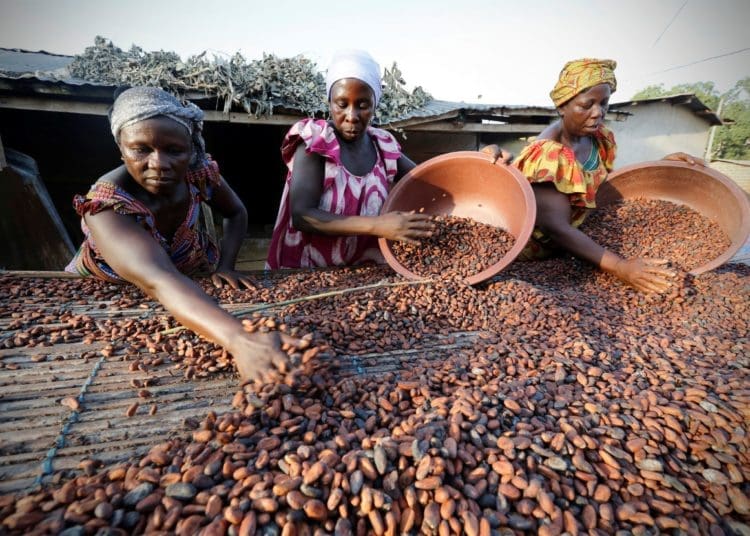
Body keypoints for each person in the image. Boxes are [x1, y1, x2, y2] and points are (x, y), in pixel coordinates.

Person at [65, 86, 297, 382]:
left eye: (175, 150)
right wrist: (239, 339)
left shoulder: (198, 174)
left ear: (191, 150)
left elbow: (236, 212)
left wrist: (226, 264)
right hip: (114, 293)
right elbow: (158, 279)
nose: (159, 164)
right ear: (121, 148)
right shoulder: (105, 205)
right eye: (141, 149)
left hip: (186, 280)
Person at [267, 50, 514, 269]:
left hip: (366, 274)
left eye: (363, 104)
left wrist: (480, 160)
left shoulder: (383, 146)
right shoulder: (316, 140)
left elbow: (432, 180)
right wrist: (377, 225)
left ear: (376, 104)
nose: (351, 115)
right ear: (329, 102)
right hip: (307, 271)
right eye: (341, 104)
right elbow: (302, 215)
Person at [484, 58, 705, 293]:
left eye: (604, 103)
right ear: (562, 106)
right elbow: (557, 228)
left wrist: (660, 169)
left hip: (582, 240)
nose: (598, 113)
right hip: (542, 253)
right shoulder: (548, 155)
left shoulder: (598, 139)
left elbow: (604, 185)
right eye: (586, 105)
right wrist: (621, 267)